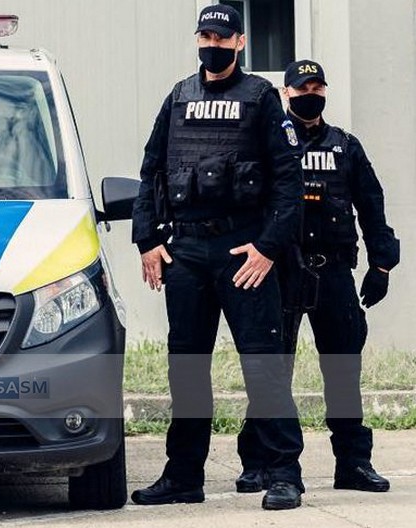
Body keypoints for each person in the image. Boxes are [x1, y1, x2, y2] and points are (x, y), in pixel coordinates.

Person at [130, 4, 306, 510]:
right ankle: (183, 477)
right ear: (198, 39)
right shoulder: (179, 95)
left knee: (263, 365)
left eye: (222, 38)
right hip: (185, 250)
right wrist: (147, 240)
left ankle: (284, 474)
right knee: (186, 368)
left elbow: (288, 181)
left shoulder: (261, 97)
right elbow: (151, 171)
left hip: (241, 248)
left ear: (239, 43)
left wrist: (268, 247)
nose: (213, 44)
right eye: (205, 36)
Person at [236, 59, 399, 494]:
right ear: (286, 93)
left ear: (324, 92)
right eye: (301, 88)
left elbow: (372, 205)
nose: (310, 94)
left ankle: (353, 463)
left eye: (317, 87)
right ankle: (257, 462)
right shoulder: (269, 143)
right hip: (281, 270)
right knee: (273, 370)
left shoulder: (345, 146)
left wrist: (382, 264)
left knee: (343, 369)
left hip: (333, 271)